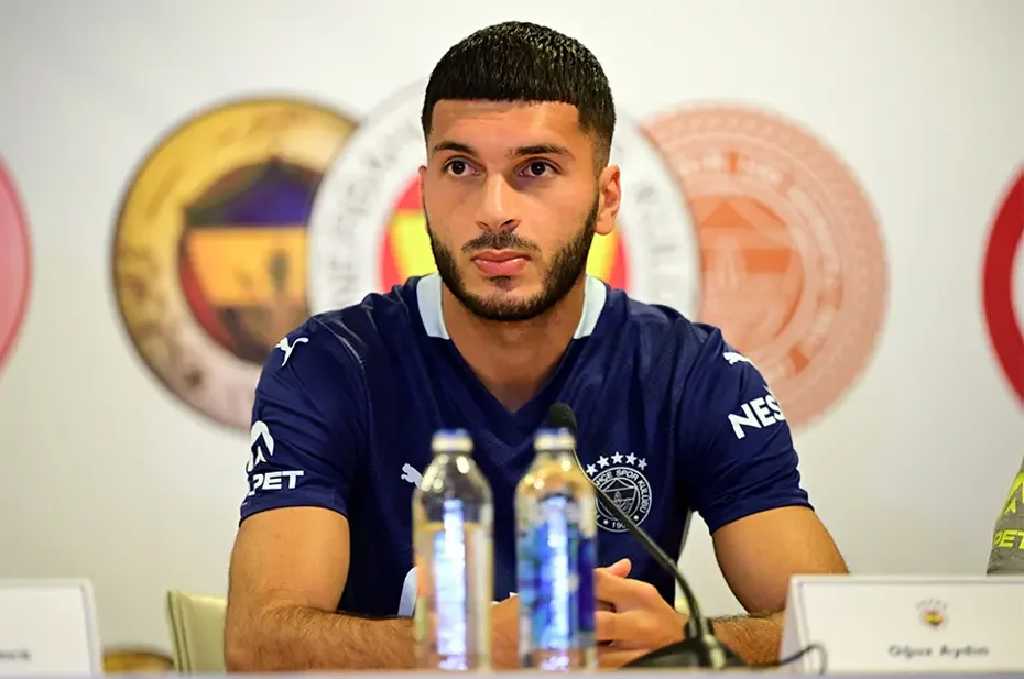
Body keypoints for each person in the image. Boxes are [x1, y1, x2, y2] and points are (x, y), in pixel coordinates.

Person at [224, 21, 847, 670]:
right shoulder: (331, 363)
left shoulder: (692, 373)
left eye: (537, 168)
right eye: (460, 168)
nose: (494, 209)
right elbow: (256, 642)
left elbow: (836, 627)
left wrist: (691, 644)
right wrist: (465, 647)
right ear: (427, 189)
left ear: (606, 199)